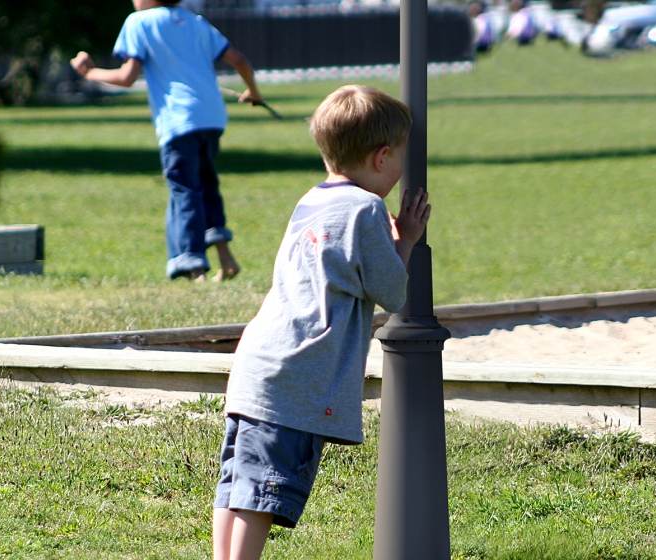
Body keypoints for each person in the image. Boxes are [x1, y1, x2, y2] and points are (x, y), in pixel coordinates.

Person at [212, 85, 432, 560]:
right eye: (400, 160)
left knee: (237, 482)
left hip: (259, 362)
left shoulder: (311, 199)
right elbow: (392, 292)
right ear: (381, 157)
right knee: (263, 491)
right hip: (298, 373)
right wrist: (407, 240)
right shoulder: (366, 209)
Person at [71, 0, 263, 282]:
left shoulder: (139, 22)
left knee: (185, 190)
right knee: (206, 184)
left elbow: (127, 77)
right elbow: (239, 59)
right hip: (211, 117)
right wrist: (253, 92)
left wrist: (89, 73)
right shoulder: (196, 21)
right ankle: (225, 257)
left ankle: (195, 267)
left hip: (178, 120)